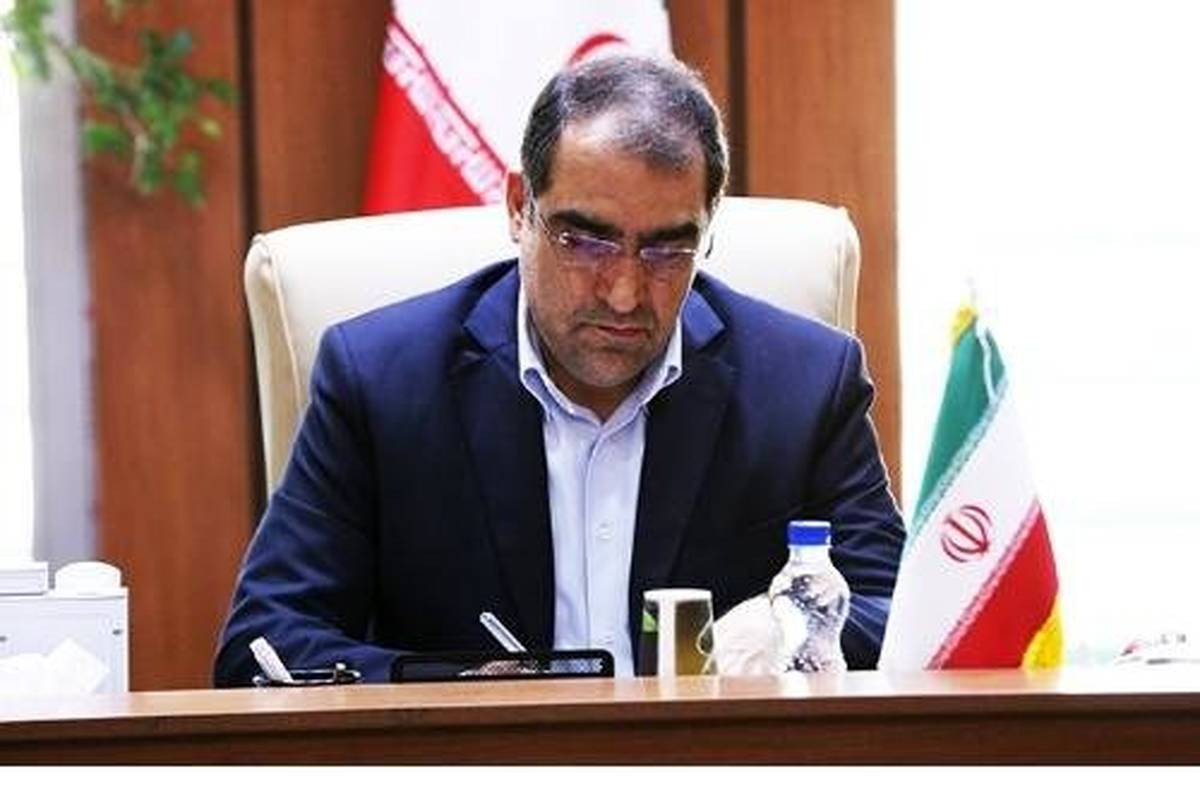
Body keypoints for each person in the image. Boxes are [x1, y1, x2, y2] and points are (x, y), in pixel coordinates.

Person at [214, 54, 905, 686]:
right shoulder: (382, 380)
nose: (625, 293)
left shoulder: (805, 385)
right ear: (520, 208)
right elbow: (264, 644)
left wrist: (792, 625)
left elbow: (909, 615)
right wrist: (466, 689)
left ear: (709, 227)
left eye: (667, 250)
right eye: (586, 241)